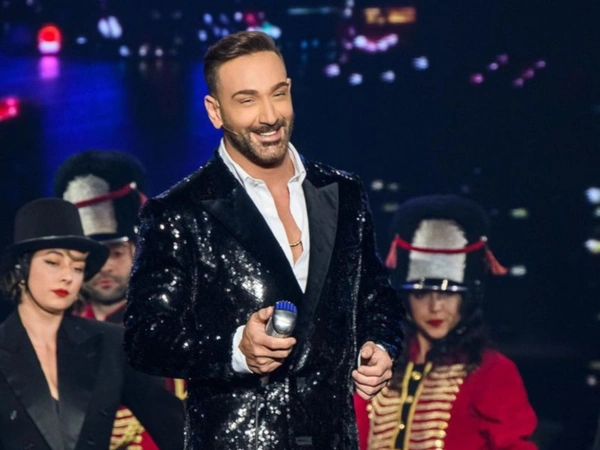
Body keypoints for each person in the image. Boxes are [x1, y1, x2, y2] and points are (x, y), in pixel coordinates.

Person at [124, 30, 403, 449]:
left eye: (278, 94)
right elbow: (144, 340)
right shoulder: (178, 212)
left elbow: (377, 299)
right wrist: (234, 350)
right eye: (247, 100)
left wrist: (380, 346)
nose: (269, 116)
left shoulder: (344, 192)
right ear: (215, 111)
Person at [354, 194, 538, 450]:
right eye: (421, 294)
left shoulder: (492, 371)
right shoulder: (378, 362)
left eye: (449, 294)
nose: (435, 306)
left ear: (467, 298)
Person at [0, 198, 184, 450]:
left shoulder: (113, 344)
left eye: (78, 267)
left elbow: (178, 432)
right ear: (21, 270)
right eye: (53, 262)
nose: (67, 276)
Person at [54, 150, 187, 449]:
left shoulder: (177, 320)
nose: (104, 267)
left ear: (138, 248)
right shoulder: (57, 333)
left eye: (114, 253)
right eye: (91, 258)